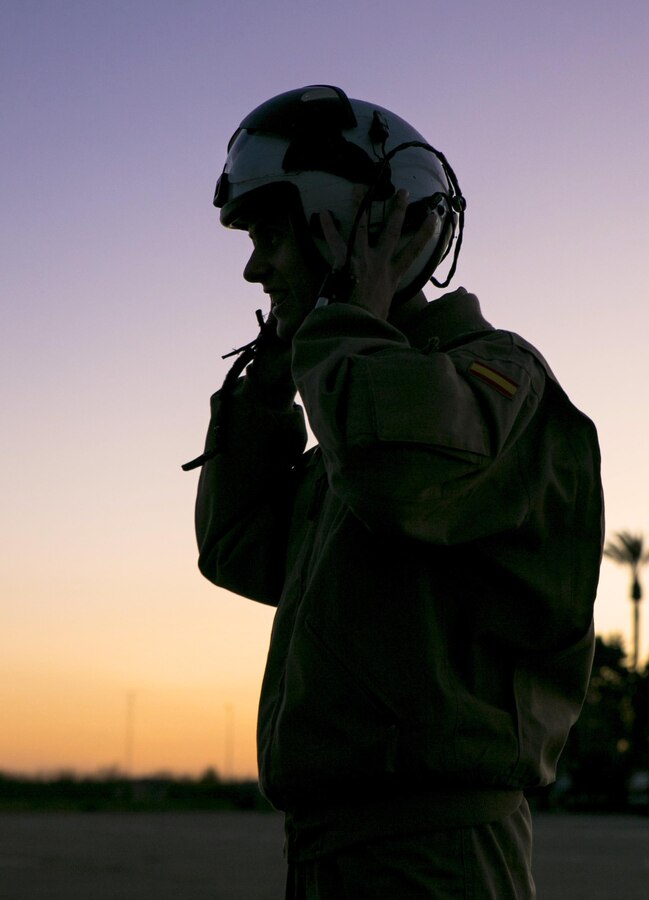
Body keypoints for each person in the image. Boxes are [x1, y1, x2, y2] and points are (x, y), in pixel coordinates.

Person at [184, 85, 603, 898]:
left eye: (272, 234)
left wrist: (341, 324)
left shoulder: (491, 380)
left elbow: (400, 481)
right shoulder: (364, 403)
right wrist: (264, 394)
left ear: (355, 227)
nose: (253, 266)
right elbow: (238, 549)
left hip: (433, 854)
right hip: (334, 852)